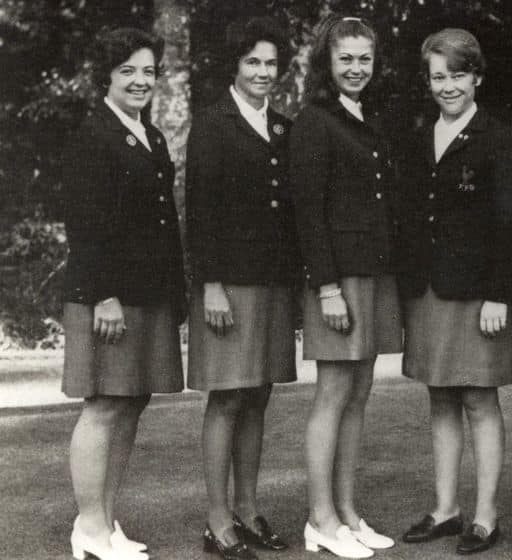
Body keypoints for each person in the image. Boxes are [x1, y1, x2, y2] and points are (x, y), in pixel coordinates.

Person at [397, 28, 512, 556]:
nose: (448, 85)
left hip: (478, 295)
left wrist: (499, 294)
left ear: (477, 77)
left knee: (479, 398)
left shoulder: (500, 139)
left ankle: (486, 516)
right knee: (440, 395)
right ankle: (447, 508)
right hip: (428, 290)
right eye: (438, 76)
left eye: (457, 74)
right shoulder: (420, 135)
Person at [62, 26, 186, 560]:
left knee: (131, 403)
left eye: (148, 71)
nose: (140, 81)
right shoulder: (93, 135)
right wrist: (105, 294)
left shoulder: (150, 135)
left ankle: (105, 525)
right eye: (128, 71)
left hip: (147, 291)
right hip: (106, 296)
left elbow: (159, 223)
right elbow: (86, 224)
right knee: (104, 406)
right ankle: (88, 526)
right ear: (106, 78)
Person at [289, 14, 402, 560]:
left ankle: (348, 512)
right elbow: (308, 214)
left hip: (373, 273)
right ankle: (319, 519)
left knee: (359, 394)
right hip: (338, 279)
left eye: (364, 59)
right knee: (333, 393)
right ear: (326, 64)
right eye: (345, 59)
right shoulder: (315, 120)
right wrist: (327, 288)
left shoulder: (367, 117)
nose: (356, 68)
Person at [185, 17, 299, 560]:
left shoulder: (282, 126)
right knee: (227, 397)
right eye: (253, 61)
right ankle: (216, 520)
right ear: (236, 64)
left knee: (258, 395)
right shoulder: (212, 124)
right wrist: (210, 284)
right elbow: (201, 210)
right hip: (227, 284)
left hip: (273, 283)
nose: (262, 72)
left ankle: (249, 510)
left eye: (270, 63)